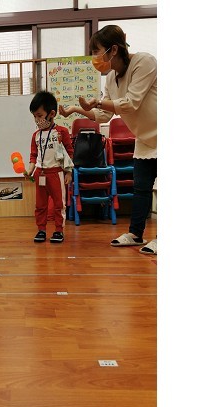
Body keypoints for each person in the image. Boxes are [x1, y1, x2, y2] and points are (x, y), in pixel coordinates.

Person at [58, 25, 157, 255]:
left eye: (96, 51)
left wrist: (98, 102)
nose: (94, 57)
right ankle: (135, 233)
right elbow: (103, 115)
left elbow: (131, 103)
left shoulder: (144, 62)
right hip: (144, 139)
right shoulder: (111, 77)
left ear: (113, 50)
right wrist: (76, 110)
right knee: (140, 188)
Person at [27, 90, 74, 244]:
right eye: (34, 116)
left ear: (52, 114)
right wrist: (30, 170)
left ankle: (59, 230)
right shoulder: (36, 135)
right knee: (40, 205)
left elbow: (69, 153)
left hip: (56, 173)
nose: (37, 120)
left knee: (59, 204)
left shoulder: (62, 132)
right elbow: (33, 155)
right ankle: (41, 230)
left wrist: (68, 172)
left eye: (39, 116)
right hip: (40, 173)